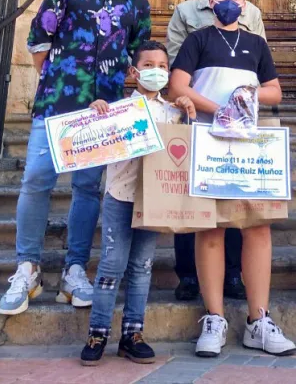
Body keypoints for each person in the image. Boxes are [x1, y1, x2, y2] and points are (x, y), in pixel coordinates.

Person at [0, 0, 151, 316]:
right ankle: (28, 267)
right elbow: (38, 41)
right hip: (56, 107)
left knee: (86, 188)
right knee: (35, 180)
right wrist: (58, 82)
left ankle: (74, 269)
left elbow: (139, 56)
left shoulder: (138, 3)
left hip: (104, 113)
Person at [169, 0, 296, 357]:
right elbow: (177, 86)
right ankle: (214, 317)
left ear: (245, 4)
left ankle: (259, 319)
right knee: (211, 229)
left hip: (249, 146)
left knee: (257, 227)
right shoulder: (198, 39)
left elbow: (274, 89)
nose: (230, 2)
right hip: (209, 140)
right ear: (211, 0)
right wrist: (222, 109)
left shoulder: (257, 43)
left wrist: (248, 93)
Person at [80, 40, 196, 366]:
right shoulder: (117, 110)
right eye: (148, 66)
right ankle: (98, 332)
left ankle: (133, 333)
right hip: (120, 195)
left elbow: (184, 149)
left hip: (154, 199)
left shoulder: (171, 112)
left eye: (162, 66)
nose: (156, 71)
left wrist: (188, 114)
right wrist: (96, 113)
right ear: (133, 71)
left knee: (142, 266)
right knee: (111, 265)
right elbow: (93, 138)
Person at [166, 0, 262, 301]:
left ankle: (233, 274)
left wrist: (241, 102)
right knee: (193, 196)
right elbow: (176, 63)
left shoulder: (251, 12)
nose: (230, 0)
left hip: (239, 124)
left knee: (234, 198)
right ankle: (188, 274)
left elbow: (259, 59)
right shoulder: (186, 13)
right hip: (197, 118)